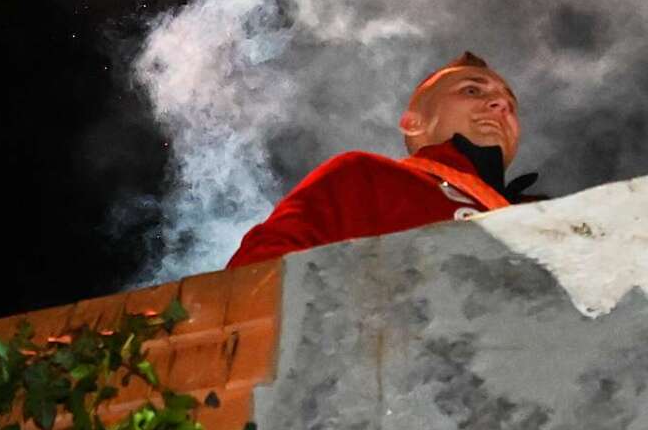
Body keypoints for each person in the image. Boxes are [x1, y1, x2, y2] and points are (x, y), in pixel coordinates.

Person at [227, 51, 544, 268]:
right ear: (414, 122)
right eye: (472, 91)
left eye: (510, 103)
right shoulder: (365, 177)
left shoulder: (547, 220)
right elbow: (259, 280)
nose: (501, 104)